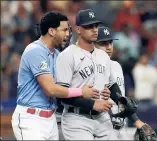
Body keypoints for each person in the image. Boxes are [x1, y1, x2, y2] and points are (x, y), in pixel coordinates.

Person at [11, 12, 98, 140]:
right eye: (64, 30)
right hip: (31, 118)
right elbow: (50, 89)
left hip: (50, 119)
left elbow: (64, 85)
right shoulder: (35, 50)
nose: (68, 34)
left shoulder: (56, 54)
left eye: (68, 30)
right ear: (51, 31)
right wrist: (81, 91)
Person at [55, 9, 137, 140]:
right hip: (77, 119)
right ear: (78, 29)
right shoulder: (67, 55)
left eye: (96, 26)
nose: (94, 29)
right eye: (89, 26)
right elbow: (61, 95)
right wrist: (92, 104)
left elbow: (112, 85)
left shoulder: (103, 56)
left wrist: (122, 102)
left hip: (102, 118)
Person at [94, 25, 157, 140]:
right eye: (103, 44)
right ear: (93, 44)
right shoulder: (90, 67)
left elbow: (121, 99)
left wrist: (137, 121)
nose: (109, 47)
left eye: (110, 43)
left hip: (121, 124)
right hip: (101, 125)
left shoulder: (117, 66)